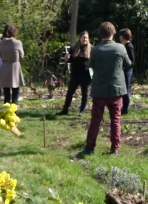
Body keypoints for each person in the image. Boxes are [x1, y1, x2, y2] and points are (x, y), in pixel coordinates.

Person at [83, 22, 131, 156]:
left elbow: (90, 65)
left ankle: (90, 147)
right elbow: (128, 64)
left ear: (101, 34)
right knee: (115, 120)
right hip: (116, 89)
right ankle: (114, 148)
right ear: (113, 33)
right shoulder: (120, 48)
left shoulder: (95, 49)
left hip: (99, 89)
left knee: (95, 119)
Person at [57, 32, 92, 115]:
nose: (85, 39)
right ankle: (65, 110)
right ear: (79, 38)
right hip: (75, 74)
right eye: (83, 37)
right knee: (70, 93)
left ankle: (82, 111)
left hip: (86, 75)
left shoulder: (91, 49)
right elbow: (69, 60)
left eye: (86, 38)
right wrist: (66, 59)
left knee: (85, 93)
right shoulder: (74, 49)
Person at [0, 24, 25, 104]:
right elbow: (22, 55)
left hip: (4, 66)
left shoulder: (0, 43)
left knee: (6, 92)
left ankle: (6, 108)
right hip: (15, 66)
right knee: (15, 91)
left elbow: (0, 55)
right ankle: (14, 109)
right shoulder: (17, 43)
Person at [118, 28, 134, 114]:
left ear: (124, 36)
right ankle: (123, 108)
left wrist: (124, 68)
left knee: (126, 90)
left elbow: (132, 61)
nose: (119, 37)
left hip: (127, 72)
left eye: (120, 35)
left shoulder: (129, 46)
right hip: (123, 71)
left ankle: (125, 109)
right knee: (123, 91)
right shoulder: (123, 46)